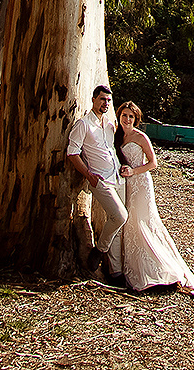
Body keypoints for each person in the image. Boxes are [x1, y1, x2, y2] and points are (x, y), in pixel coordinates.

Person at [112, 102, 194, 298]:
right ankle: (134, 268)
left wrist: (133, 171)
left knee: (141, 222)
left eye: (131, 116)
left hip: (141, 183)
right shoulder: (116, 136)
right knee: (129, 222)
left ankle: (158, 269)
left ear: (135, 119)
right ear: (119, 116)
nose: (127, 119)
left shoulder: (141, 136)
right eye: (124, 115)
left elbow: (153, 163)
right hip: (126, 184)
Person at [65, 85, 126, 281]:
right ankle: (98, 251)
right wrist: (88, 174)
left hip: (117, 176)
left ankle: (116, 271)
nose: (105, 104)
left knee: (121, 225)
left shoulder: (109, 124)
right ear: (93, 99)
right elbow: (72, 153)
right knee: (120, 216)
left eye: (108, 100)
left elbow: (112, 149)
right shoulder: (83, 124)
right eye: (102, 99)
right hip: (99, 179)